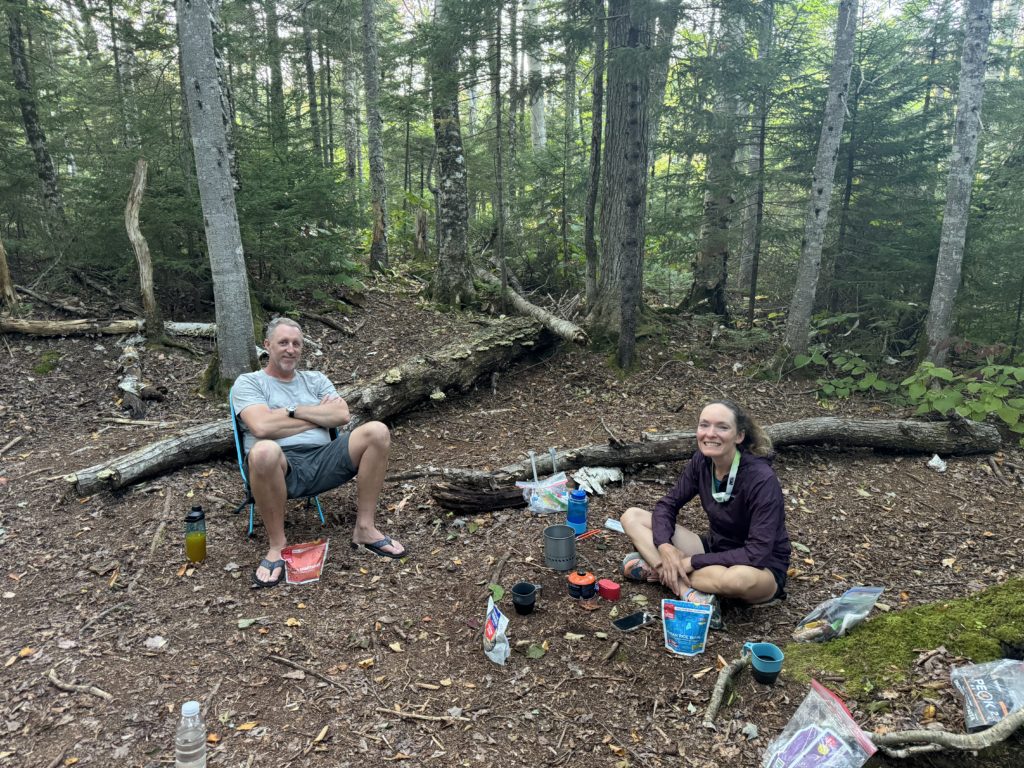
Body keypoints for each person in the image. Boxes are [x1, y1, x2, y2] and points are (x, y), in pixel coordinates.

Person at [231, 317, 407, 588]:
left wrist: (292, 411)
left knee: (377, 431)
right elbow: (261, 426)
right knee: (263, 449)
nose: (290, 349)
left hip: (324, 457)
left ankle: (365, 528)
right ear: (267, 345)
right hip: (279, 467)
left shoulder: (315, 380)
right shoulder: (250, 383)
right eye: (283, 343)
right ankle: (277, 545)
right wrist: (317, 416)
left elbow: (341, 414)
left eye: (296, 344)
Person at [620, 400, 790, 622]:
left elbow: (757, 553)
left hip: (759, 568)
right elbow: (668, 505)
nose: (710, 434)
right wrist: (665, 546)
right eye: (704, 425)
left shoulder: (761, 479)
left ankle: (659, 570)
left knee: (738, 580)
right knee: (632, 516)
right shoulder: (702, 461)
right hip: (714, 549)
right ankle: (685, 590)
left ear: (739, 436)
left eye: (722, 427)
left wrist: (692, 562)